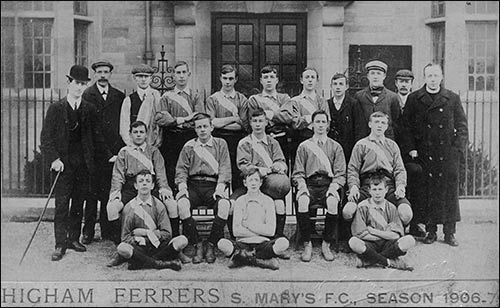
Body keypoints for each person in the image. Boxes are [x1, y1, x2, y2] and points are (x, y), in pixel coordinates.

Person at [40, 64, 110, 261]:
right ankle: (60, 244)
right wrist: (54, 159)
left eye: (83, 84)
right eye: (76, 83)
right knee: (62, 205)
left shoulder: (89, 108)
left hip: (83, 165)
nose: (79, 87)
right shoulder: (56, 108)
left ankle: (73, 238)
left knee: (78, 203)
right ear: (69, 83)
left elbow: (97, 137)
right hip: (63, 165)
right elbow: (46, 138)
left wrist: (109, 154)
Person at [399, 63, 468, 246]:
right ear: (425, 78)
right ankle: (431, 231)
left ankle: (449, 232)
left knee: (448, 193)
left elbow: (462, 126)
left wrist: (457, 150)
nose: (433, 79)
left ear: (441, 77)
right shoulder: (415, 98)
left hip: (447, 154)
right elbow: (406, 127)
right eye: (429, 76)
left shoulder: (452, 98)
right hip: (425, 153)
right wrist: (411, 148)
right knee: (429, 192)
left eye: (436, 75)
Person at [107, 120, 176, 266]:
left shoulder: (153, 151)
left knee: (171, 204)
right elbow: (118, 175)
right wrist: (116, 191)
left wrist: (163, 187)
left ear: (146, 134)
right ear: (131, 135)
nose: (138, 135)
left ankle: (173, 248)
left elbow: (160, 173)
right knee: (111, 208)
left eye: (141, 132)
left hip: (149, 185)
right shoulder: (124, 152)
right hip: (130, 187)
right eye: (135, 132)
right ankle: (120, 250)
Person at [175, 113, 231, 264]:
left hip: (213, 185)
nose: (202, 130)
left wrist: (220, 187)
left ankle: (211, 244)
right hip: (193, 185)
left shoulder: (220, 144)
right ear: (195, 129)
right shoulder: (189, 146)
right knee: (182, 205)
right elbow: (181, 170)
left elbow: (225, 168)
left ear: (211, 127)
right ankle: (197, 243)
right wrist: (182, 188)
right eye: (199, 127)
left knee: (225, 205)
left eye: (205, 126)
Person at [343, 111, 413, 230]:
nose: (379, 125)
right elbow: (353, 169)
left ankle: (396, 232)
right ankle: (358, 233)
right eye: (376, 122)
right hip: (367, 185)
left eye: (383, 123)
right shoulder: (361, 145)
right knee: (348, 211)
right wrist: (353, 186)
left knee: (406, 214)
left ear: (386, 126)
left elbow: (399, 169)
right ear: (370, 124)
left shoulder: (392, 145)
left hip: (387, 185)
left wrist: (400, 186)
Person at [232, 108, 291, 249]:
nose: (258, 124)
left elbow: (281, 161)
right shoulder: (245, 143)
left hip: (268, 185)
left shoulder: (272, 142)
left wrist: (278, 166)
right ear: (251, 124)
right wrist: (260, 170)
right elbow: (243, 166)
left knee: (279, 204)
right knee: (232, 204)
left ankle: (276, 237)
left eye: (261, 121)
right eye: (255, 121)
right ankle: (239, 240)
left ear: (266, 123)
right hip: (250, 185)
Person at [292, 110, 346, 262]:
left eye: (323, 122)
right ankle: (307, 243)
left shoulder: (335, 147)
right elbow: (298, 172)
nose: (320, 125)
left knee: (332, 203)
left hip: (328, 185)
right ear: (312, 124)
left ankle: (326, 243)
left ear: (328, 125)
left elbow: (341, 173)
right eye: (317, 122)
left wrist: (334, 187)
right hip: (309, 184)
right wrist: (301, 185)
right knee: (302, 202)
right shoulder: (304, 146)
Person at [82, 59, 125, 244]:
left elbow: (121, 124)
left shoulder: (118, 95)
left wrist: (115, 151)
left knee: (109, 192)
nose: (102, 75)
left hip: (113, 152)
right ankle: (88, 232)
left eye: (106, 72)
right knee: (91, 194)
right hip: (94, 153)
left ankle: (108, 231)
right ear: (94, 74)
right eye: (99, 72)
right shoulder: (87, 94)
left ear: (110, 74)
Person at [218, 167, 290, 270]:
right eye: (250, 180)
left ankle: (243, 258)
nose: (253, 183)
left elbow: (270, 231)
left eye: (256, 180)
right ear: (245, 183)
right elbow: (236, 231)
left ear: (261, 183)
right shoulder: (240, 201)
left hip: (263, 243)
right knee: (222, 244)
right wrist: (260, 231)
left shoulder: (268, 201)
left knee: (283, 243)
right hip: (243, 243)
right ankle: (261, 261)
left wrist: (248, 225)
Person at [116, 169, 187, 271]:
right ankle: (159, 263)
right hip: (139, 247)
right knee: (122, 248)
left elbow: (167, 233)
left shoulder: (159, 205)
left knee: (182, 240)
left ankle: (142, 262)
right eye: (141, 181)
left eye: (147, 181)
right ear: (136, 186)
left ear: (152, 185)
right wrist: (139, 240)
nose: (144, 184)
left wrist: (146, 233)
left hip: (157, 245)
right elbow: (125, 237)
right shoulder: (129, 207)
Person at [348, 174, 415, 271]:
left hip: (388, 244)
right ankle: (390, 262)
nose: (377, 193)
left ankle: (369, 260)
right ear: (369, 191)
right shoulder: (363, 206)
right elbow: (360, 234)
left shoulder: (391, 207)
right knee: (353, 242)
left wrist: (373, 231)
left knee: (409, 240)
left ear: (386, 190)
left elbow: (396, 235)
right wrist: (385, 234)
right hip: (370, 244)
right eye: (374, 190)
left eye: (380, 189)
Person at [156, 61, 205, 190]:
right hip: (171, 138)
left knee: (189, 166)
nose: (181, 76)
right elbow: (161, 119)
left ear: (189, 75)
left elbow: (199, 118)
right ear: (173, 76)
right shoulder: (166, 96)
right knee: (171, 168)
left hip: (189, 136)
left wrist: (176, 121)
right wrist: (184, 119)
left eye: (184, 72)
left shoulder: (195, 96)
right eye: (178, 73)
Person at [393, 69, 426, 237]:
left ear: (412, 84)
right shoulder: (391, 99)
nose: (404, 84)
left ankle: (415, 223)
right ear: (396, 83)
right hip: (392, 150)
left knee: (415, 177)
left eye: (407, 81)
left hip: (410, 153)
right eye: (401, 81)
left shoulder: (417, 101)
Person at [206, 64, 248, 191]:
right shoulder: (212, 99)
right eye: (225, 78)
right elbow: (212, 123)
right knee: (218, 171)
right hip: (218, 140)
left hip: (237, 140)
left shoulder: (242, 99)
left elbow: (243, 125)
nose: (228, 82)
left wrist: (222, 123)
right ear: (220, 78)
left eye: (230, 78)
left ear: (236, 79)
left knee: (237, 173)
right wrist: (234, 119)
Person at [245, 65, 294, 165]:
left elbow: (288, 117)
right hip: (261, 139)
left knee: (280, 169)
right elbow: (254, 120)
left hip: (281, 139)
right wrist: (278, 117)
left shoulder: (284, 98)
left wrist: (270, 115)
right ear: (261, 81)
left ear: (276, 80)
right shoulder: (254, 99)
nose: (269, 80)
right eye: (265, 77)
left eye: (272, 77)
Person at [353, 60, 401, 141]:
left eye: (378, 73)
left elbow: (396, 123)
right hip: (365, 140)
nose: (375, 76)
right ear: (368, 76)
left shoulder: (393, 97)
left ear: (384, 76)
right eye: (372, 73)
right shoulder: (359, 96)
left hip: (386, 140)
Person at [119, 64, 162, 148]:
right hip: (134, 146)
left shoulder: (157, 97)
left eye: (146, 76)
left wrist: (156, 144)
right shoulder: (128, 100)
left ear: (151, 78)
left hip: (154, 146)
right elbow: (124, 127)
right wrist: (132, 145)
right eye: (140, 76)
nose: (143, 79)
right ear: (135, 78)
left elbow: (160, 125)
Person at [290, 67, 329, 148]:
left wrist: (305, 119)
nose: (310, 80)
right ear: (301, 80)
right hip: (300, 139)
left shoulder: (322, 101)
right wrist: (311, 118)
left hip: (319, 138)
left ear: (317, 81)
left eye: (313, 77)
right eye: (307, 77)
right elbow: (295, 123)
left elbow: (327, 122)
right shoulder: (295, 101)